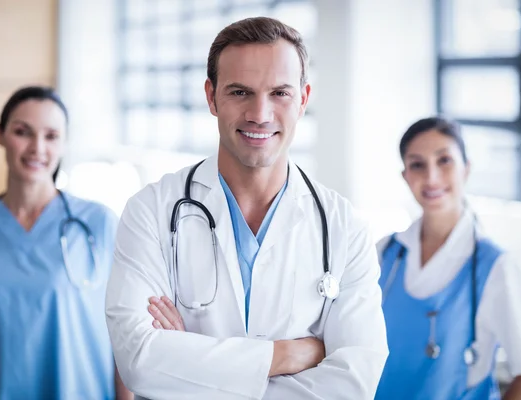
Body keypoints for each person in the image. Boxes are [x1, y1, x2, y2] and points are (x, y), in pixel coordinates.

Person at [105, 17, 388, 400]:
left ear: (303, 99)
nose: (260, 113)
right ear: (211, 97)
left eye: (280, 93)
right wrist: (287, 354)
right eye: (240, 92)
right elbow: (139, 360)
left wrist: (189, 364)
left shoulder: (345, 228)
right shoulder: (151, 212)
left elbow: (353, 384)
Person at [0, 86, 133, 399]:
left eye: (51, 135)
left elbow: (124, 340)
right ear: (0, 135)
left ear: (64, 143)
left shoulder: (100, 226)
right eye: (22, 132)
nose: (37, 148)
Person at [375, 117, 521, 400]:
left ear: (466, 168)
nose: (431, 177)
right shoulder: (384, 252)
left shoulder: (496, 266)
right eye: (417, 164)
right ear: (405, 176)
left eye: (444, 160)